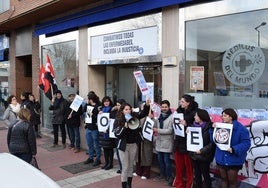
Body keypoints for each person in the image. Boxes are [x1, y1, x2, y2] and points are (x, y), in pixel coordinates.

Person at [114, 101, 150, 188]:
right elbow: (117, 134)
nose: (128, 111)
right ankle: (124, 185)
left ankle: (129, 184)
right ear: (122, 111)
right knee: (125, 167)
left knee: (130, 166)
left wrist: (147, 105)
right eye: (126, 109)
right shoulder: (118, 120)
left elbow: (144, 113)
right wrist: (124, 127)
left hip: (133, 145)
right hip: (123, 147)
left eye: (129, 109)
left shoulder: (135, 117)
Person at [212, 108, 250, 188]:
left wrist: (234, 149)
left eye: (225, 116)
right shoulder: (220, 126)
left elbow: (246, 143)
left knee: (232, 181)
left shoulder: (241, 129)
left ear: (231, 117)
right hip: (221, 158)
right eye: (222, 116)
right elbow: (214, 140)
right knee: (223, 179)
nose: (222, 117)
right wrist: (213, 130)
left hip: (234, 160)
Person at [173, 94, 198, 188]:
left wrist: (187, 124)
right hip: (179, 141)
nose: (180, 103)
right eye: (180, 101)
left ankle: (189, 184)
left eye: (182, 101)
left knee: (189, 167)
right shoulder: (179, 111)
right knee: (178, 166)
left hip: (188, 143)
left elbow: (198, 126)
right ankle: (179, 183)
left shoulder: (194, 113)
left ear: (188, 103)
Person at [188, 109, 215, 188]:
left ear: (201, 117)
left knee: (206, 175)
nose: (195, 117)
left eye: (196, 115)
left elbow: (212, 143)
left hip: (205, 156)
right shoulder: (192, 126)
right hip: (194, 155)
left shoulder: (210, 127)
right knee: (197, 174)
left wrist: (202, 151)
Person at [153, 100, 174, 185]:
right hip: (159, 142)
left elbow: (170, 130)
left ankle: (169, 177)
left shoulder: (172, 117)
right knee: (160, 160)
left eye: (166, 107)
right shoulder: (159, 116)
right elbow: (155, 125)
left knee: (167, 161)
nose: (164, 108)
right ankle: (162, 175)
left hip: (167, 143)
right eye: (163, 107)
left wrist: (158, 130)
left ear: (169, 107)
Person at [134, 108, 156, 180]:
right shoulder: (142, 118)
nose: (150, 115)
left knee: (147, 156)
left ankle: (146, 173)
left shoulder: (154, 121)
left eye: (151, 113)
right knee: (139, 156)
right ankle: (138, 171)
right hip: (140, 140)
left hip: (147, 141)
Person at [84, 92, 102, 166]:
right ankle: (91, 157)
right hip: (88, 127)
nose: (87, 100)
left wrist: (93, 115)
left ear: (91, 99)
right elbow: (84, 112)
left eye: (88, 98)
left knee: (96, 144)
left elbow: (99, 118)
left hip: (95, 128)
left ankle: (98, 159)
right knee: (89, 144)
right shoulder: (88, 106)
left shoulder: (98, 106)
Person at [99, 96, 116, 170]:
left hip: (109, 132)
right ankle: (106, 163)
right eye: (105, 101)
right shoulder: (101, 110)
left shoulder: (112, 110)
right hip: (103, 133)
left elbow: (113, 121)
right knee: (105, 149)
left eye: (108, 101)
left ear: (110, 102)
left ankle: (110, 164)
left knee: (110, 149)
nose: (106, 102)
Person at [110, 98, 126, 174]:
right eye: (117, 105)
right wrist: (112, 110)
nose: (117, 107)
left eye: (119, 105)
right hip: (117, 135)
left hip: (124, 137)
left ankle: (125, 168)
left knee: (123, 154)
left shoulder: (126, 113)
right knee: (118, 152)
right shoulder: (115, 112)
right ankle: (121, 167)